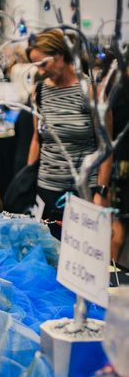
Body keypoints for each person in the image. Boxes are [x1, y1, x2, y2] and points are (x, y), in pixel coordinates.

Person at [26, 29, 112, 227]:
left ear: (60, 56)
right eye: (36, 66)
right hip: (46, 189)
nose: (40, 71)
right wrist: (28, 183)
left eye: (43, 64)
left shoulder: (91, 92)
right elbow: (36, 140)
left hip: (83, 192)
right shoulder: (39, 93)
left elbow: (106, 147)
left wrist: (102, 191)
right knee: (46, 252)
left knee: (79, 254)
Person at [106, 69, 129, 261]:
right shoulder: (117, 97)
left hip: (120, 166)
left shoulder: (116, 95)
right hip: (121, 168)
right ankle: (109, 273)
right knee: (118, 226)